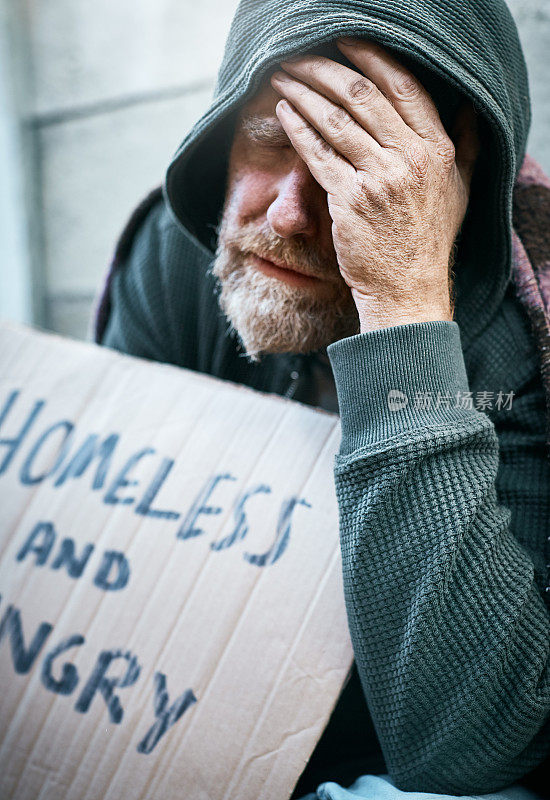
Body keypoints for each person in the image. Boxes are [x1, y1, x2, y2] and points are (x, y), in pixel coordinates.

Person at [94, 0, 550, 798]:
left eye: (356, 177)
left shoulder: (522, 334)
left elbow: (471, 753)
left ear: (456, 188)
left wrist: (403, 301)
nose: (291, 214)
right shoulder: (176, 252)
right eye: (271, 146)